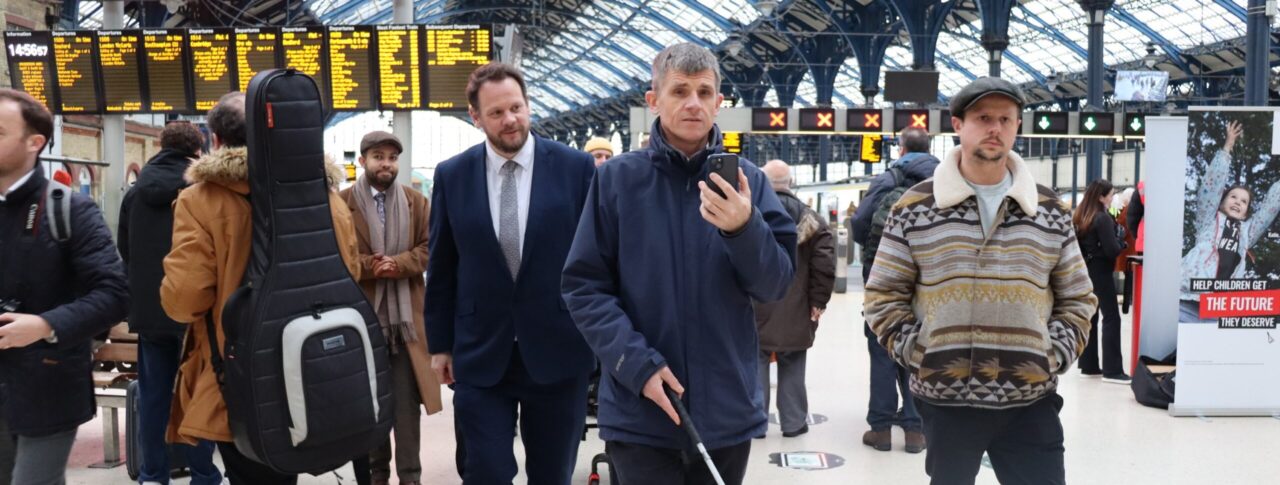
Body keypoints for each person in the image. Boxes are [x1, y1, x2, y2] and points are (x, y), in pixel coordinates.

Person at [562, 43, 797, 485]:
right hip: (641, 410)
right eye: (680, 91)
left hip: (726, 410)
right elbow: (584, 287)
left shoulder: (752, 184)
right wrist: (637, 365)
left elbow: (776, 285)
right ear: (654, 100)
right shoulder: (616, 181)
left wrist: (745, 228)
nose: (693, 103)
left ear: (719, 104)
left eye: (705, 92)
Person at [864, 77, 1097, 485]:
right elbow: (883, 294)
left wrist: (1052, 353)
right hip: (946, 402)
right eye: (984, 118)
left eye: (1006, 119)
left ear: (1018, 127)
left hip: (1031, 400)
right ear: (958, 124)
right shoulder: (916, 206)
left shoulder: (1049, 209)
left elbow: (1078, 297)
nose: (996, 128)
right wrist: (920, 352)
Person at [160, 92, 361, 484]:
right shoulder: (327, 197)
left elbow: (183, 301)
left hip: (239, 376)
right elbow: (350, 276)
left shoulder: (199, 201)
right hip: (312, 363)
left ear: (214, 140)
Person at [424, 62, 596, 484]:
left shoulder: (576, 169)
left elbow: (598, 261)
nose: (511, 120)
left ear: (528, 105)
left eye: (517, 107)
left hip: (559, 350)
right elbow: (443, 266)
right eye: (497, 113)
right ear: (475, 116)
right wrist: (440, 345)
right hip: (481, 353)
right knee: (486, 471)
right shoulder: (453, 175)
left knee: (552, 473)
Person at [0, 88, 128, 484]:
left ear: (34, 142)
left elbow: (114, 294)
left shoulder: (69, 209)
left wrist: (45, 325)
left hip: (47, 386)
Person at [117, 121, 224, 485]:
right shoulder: (203, 189)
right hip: (195, 311)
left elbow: (124, 251)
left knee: (153, 396)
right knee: (198, 393)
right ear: (199, 150)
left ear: (161, 146)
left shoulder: (135, 192)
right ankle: (203, 473)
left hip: (151, 312)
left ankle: (152, 474)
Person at [339, 131, 443, 485]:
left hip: (405, 325)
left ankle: (410, 477)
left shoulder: (416, 202)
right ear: (363, 160)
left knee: (405, 408)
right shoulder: (341, 203)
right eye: (378, 156)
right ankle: (375, 476)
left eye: (392, 158)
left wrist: (398, 263)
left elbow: (431, 248)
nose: (386, 164)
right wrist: (371, 266)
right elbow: (337, 253)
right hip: (361, 322)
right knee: (368, 405)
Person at [850, 126, 939, 453]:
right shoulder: (947, 182)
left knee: (882, 351)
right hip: (931, 287)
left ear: (901, 149)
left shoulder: (886, 180)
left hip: (884, 283)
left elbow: (860, 226)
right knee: (919, 353)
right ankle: (916, 431)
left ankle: (882, 429)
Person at [755, 160, 835, 438]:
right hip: (797, 305)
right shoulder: (813, 220)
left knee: (756, 362)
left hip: (755, 305)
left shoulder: (749, 214)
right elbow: (825, 264)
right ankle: (793, 423)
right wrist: (818, 301)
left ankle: (755, 422)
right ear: (790, 183)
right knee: (793, 362)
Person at [1179, 121, 1280, 323]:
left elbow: (1271, 206)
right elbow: (1212, 185)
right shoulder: (1208, 219)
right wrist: (1227, 148)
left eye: (1244, 202)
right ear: (1221, 201)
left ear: (1245, 213)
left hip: (1218, 307)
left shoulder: (1247, 232)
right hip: (1187, 299)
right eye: (1233, 197)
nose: (1238, 202)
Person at [1073, 179, 1128, 383]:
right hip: (1102, 272)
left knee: (1092, 318)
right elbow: (1112, 250)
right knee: (1111, 318)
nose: (1113, 198)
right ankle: (1113, 370)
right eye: (1111, 194)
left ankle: (1089, 365)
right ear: (1101, 196)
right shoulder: (1102, 218)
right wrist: (1121, 241)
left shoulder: (1080, 215)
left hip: (1085, 272)